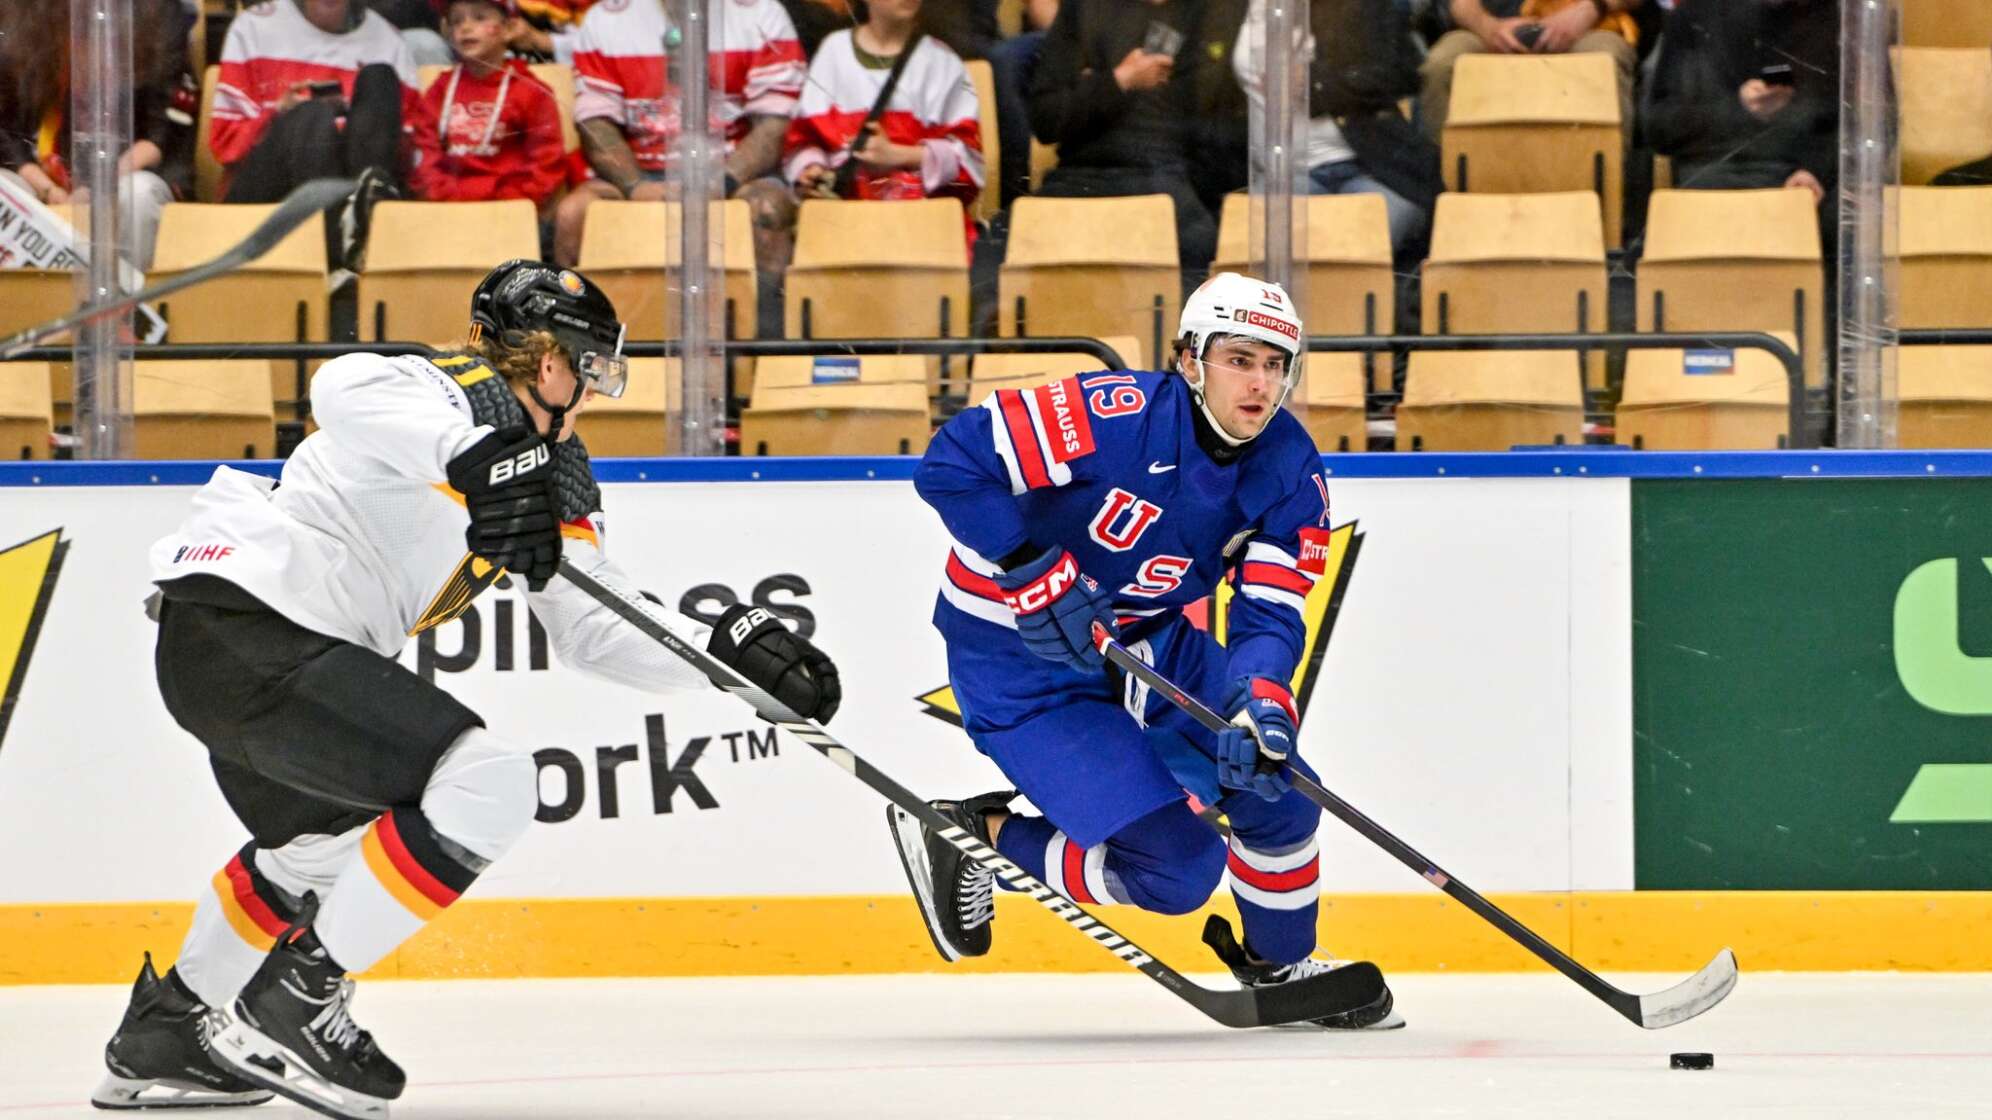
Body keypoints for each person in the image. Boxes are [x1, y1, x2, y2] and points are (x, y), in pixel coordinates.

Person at [90, 261, 842, 1117]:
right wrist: (477, 457)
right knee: (490, 782)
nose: (594, 388)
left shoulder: (557, 477)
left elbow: (592, 626)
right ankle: (298, 1002)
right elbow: (341, 385)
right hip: (258, 626)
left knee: (319, 853)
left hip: (230, 658)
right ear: (547, 360)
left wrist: (723, 657)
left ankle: (170, 1032)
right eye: (589, 365)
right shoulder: (450, 394)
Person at [889, 272, 1402, 1030]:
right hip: (1019, 657)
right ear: (1190, 360)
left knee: (1280, 792)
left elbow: (1270, 607)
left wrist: (1262, 698)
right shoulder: (1110, 416)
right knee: (1176, 871)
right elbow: (951, 465)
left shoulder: (1290, 468)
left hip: (1147, 642)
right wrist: (1029, 562)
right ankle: (975, 835)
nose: (1260, 383)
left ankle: (1281, 966)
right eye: (1240, 358)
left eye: (1276, 364)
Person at [554, 0, 807, 274]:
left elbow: (775, 124)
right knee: (574, 213)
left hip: (734, 176)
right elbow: (595, 124)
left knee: (768, 209)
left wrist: (721, 182)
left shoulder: (762, 12)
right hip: (638, 174)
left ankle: (763, 318)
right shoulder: (605, 17)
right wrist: (636, 186)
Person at [210, 0, 419, 271]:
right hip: (263, 205)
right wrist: (279, 115)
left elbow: (409, 160)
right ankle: (339, 258)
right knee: (312, 117)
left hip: (350, 184)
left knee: (379, 77)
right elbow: (224, 143)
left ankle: (356, 233)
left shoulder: (389, 41)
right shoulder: (254, 26)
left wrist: (359, 126)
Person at [1026, 0, 1220, 276]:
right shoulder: (1083, 9)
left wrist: (1092, 86)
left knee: (1199, 240)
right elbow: (1045, 120)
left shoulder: (1203, 13)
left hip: (1167, 179)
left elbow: (1210, 128)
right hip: (1080, 178)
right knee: (998, 254)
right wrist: (1120, 81)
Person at [1232, 0, 1439, 258]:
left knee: (1353, 255)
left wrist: (1315, 82)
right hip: (1285, 176)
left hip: (1372, 170)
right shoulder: (1226, 11)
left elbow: (1402, 72)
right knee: (1251, 248)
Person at [0, 0, 195, 270]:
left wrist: (96, 187)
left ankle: (132, 305)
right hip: (43, 179)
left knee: (137, 195)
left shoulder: (156, 11)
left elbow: (163, 132)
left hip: (127, 173)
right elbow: (6, 129)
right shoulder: (27, 16)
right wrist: (50, 190)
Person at [785, 0, 984, 242]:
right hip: (842, 222)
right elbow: (802, 139)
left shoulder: (943, 62)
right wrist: (811, 170)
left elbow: (969, 160)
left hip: (922, 226)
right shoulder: (833, 51)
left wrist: (897, 155)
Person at [1642, 0, 1839, 207]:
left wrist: (1814, 171)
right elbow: (1659, 127)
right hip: (1714, 178)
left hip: (1800, 181)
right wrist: (1738, 109)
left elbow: (1846, 123)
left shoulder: (1824, 17)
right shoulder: (1694, 14)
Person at [407, 0, 568, 215]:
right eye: (456, 21)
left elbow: (546, 162)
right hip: (447, 212)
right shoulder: (440, 90)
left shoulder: (531, 91)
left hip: (510, 213)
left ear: (509, 29)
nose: (466, 27)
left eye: (480, 18)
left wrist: (509, 205)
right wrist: (446, 200)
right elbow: (424, 153)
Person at [1419, 0, 1645, 140]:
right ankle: (1441, 193)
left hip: (1590, 25)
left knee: (1604, 62)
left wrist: (1589, 9)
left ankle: (1607, 193)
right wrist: (1486, 27)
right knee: (1443, 64)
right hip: (1487, 29)